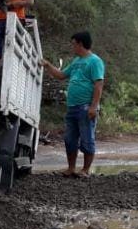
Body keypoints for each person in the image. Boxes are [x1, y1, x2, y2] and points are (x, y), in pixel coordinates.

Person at [41, 31, 105, 177]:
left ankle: (85, 170)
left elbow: (99, 84)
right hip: (72, 107)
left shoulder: (95, 61)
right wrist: (48, 65)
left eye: (73, 44)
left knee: (87, 139)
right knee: (70, 139)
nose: (72, 47)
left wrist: (93, 106)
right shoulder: (76, 61)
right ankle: (71, 168)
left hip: (85, 106)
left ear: (80, 44)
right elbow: (62, 75)